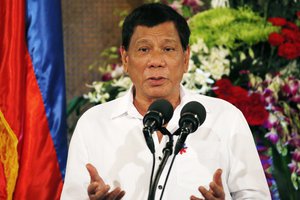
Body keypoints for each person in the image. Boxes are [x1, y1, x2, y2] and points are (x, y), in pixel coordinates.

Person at [61, 3, 271, 200]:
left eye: (168, 49)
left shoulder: (226, 119)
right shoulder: (93, 125)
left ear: (186, 57)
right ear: (125, 58)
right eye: (144, 49)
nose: (156, 62)